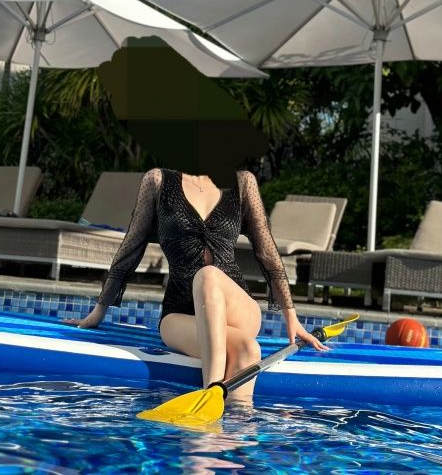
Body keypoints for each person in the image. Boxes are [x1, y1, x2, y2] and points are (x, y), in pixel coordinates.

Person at [65, 168, 327, 401]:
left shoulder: (243, 182)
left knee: (208, 275)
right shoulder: (158, 181)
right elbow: (131, 247)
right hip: (179, 314)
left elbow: (267, 253)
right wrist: (99, 311)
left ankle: (209, 390)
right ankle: (230, 429)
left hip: (236, 309)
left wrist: (291, 317)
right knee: (248, 349)